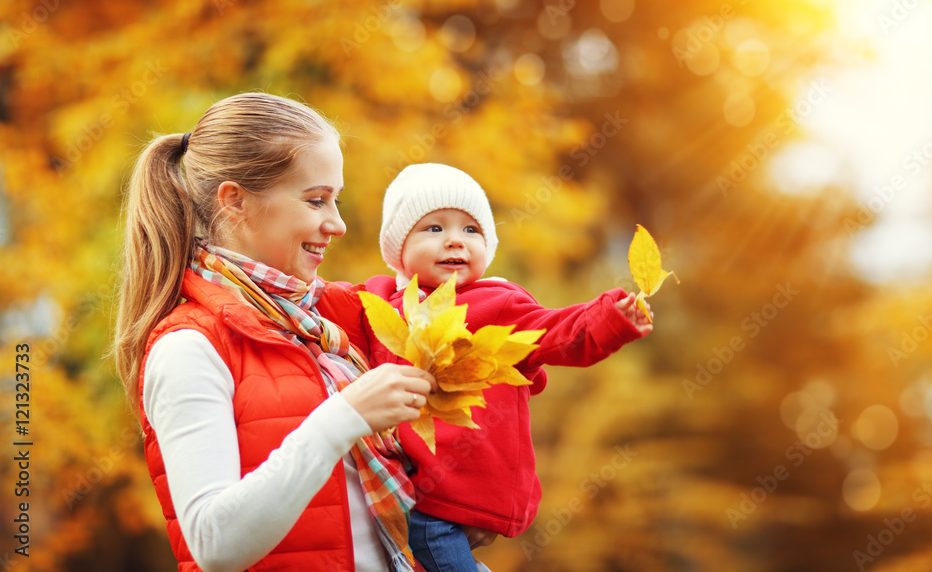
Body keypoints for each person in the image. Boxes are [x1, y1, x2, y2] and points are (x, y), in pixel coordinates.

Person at [112, 92, 437, 572]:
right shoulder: (189, 347)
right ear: (235, 201)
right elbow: (213, 543)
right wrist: (342, 418)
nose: (339, 223)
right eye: (315, 200)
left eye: (336, 199)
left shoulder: (328, 326)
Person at [364, 163, 653, 572]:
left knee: (430, 539)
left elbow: (555, 332)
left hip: (455, 488)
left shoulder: (496, 305)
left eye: (471, 230)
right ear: (398, 247)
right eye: (434, 229)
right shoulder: (377, 304)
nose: (454, 242)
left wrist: (610, 319)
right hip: (410, 482)